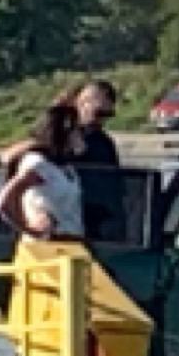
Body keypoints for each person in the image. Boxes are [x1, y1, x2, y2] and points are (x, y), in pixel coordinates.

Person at [0, 97, 87, 247]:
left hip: (71, 243)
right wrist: (28, 229)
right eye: (78, 130)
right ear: (66, 132)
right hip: (46, 246)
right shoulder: (39, 164)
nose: (81, 135)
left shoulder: (67, 167)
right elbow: (3, 201)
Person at [63, 78, 126, 242]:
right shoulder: (59, 137)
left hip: (99, 219)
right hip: (67, 217)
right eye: (99, 113)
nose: (102, 120)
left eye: (107, 115)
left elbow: (115, 186)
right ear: (80, 104)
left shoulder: (104, 142)